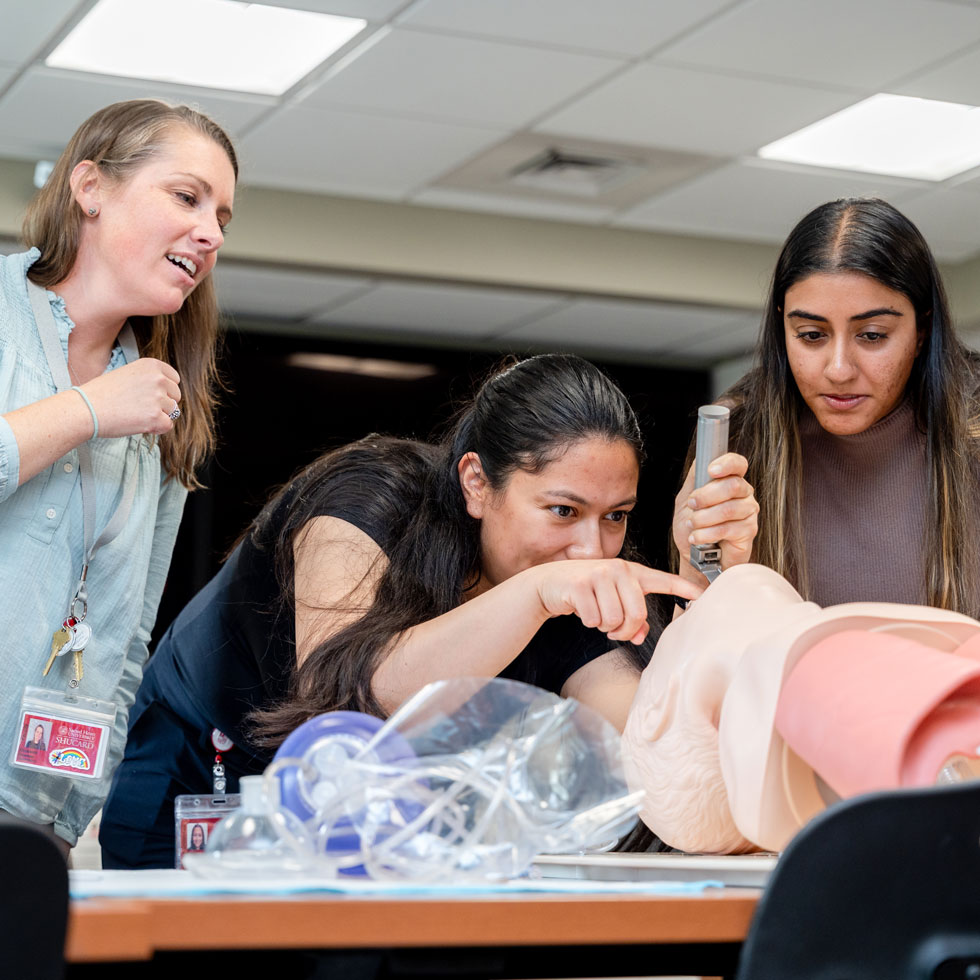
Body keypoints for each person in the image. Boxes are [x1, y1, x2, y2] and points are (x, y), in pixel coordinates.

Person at [101, 354, 757, 868]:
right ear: (477, 482)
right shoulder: (365, 500)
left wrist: (706, 583)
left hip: (359, 818)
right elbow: (345, 692)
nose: (590, 547)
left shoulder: (569, 588)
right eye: (563, 510)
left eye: (615, 517)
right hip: (201, 778)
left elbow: (655, 746)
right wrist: (530, 596)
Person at [0, 99, 237, 850]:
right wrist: (87, 409)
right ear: (91, 188)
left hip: (41, 818)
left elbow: (129, 634)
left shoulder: (162, 400)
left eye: (224, 217)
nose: (210, 233)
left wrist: (78, 814)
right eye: (187, 196)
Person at [673, 197, 980, 614]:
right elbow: (691, 666)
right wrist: (695, 570)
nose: (838, 370)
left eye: (871, 335)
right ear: (782, 325)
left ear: (922, 329)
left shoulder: (972, 423)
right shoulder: (738, 436)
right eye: (811, 335)